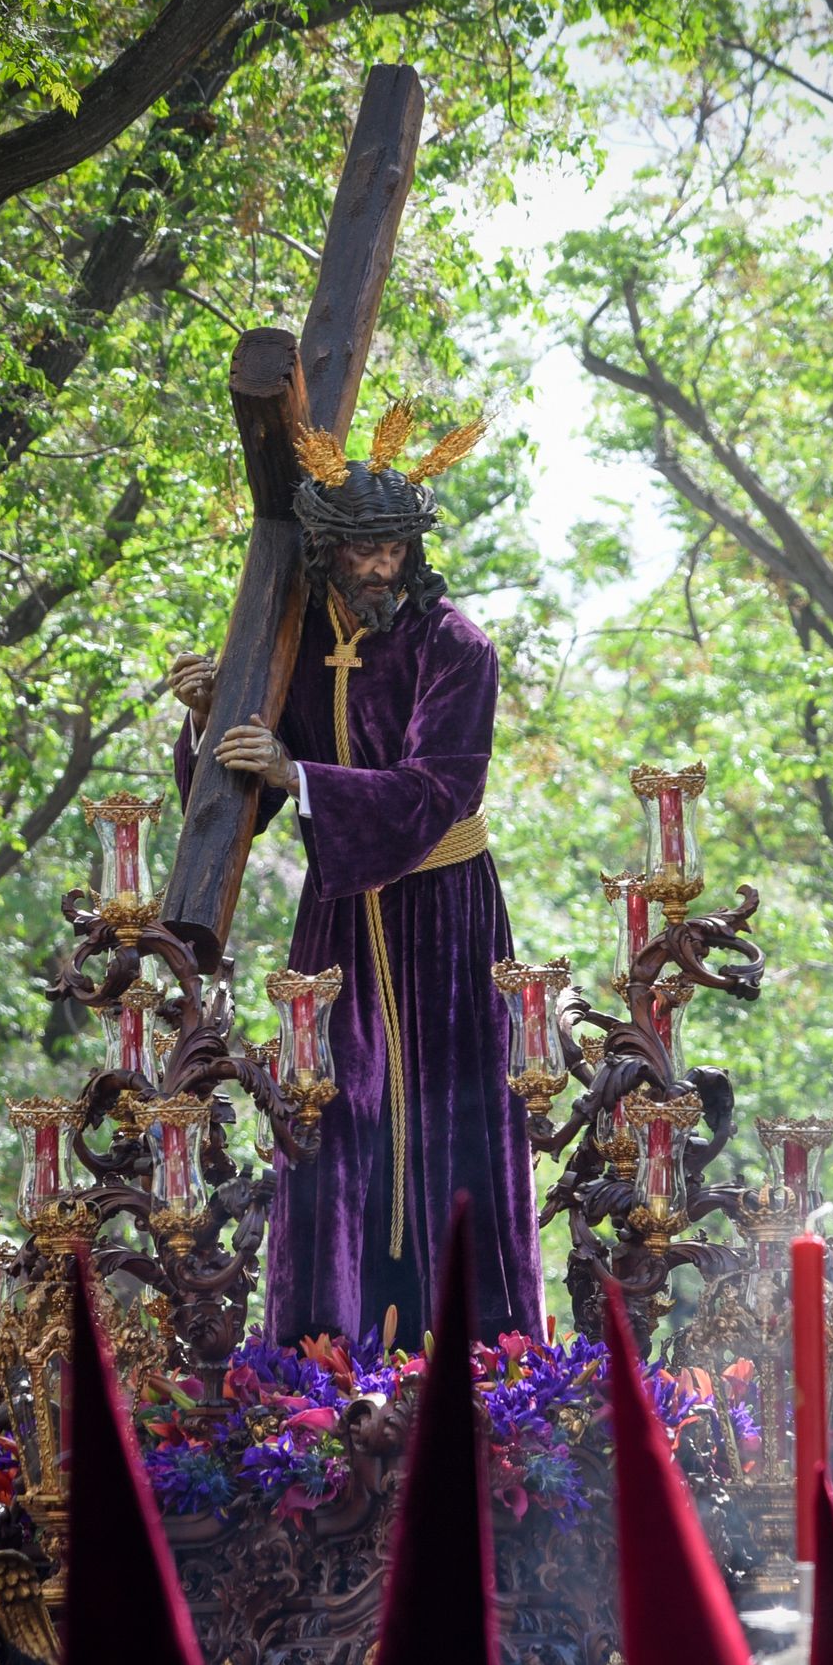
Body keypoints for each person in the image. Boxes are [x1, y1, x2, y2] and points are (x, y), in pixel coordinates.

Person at [169, 409, 544, 1348]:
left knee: (452, 1131)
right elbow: (242, 811)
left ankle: (478, 1354)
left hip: (445, 923)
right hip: (337, 924)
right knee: (331, 1123)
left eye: (394, 549)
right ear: (327, 553)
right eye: (362, 551)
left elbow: (439, 789)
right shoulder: (286, 649)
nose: (380, 568)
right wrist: (213, 720)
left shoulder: (456, 647)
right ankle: (322, 1357)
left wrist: (298, 776)